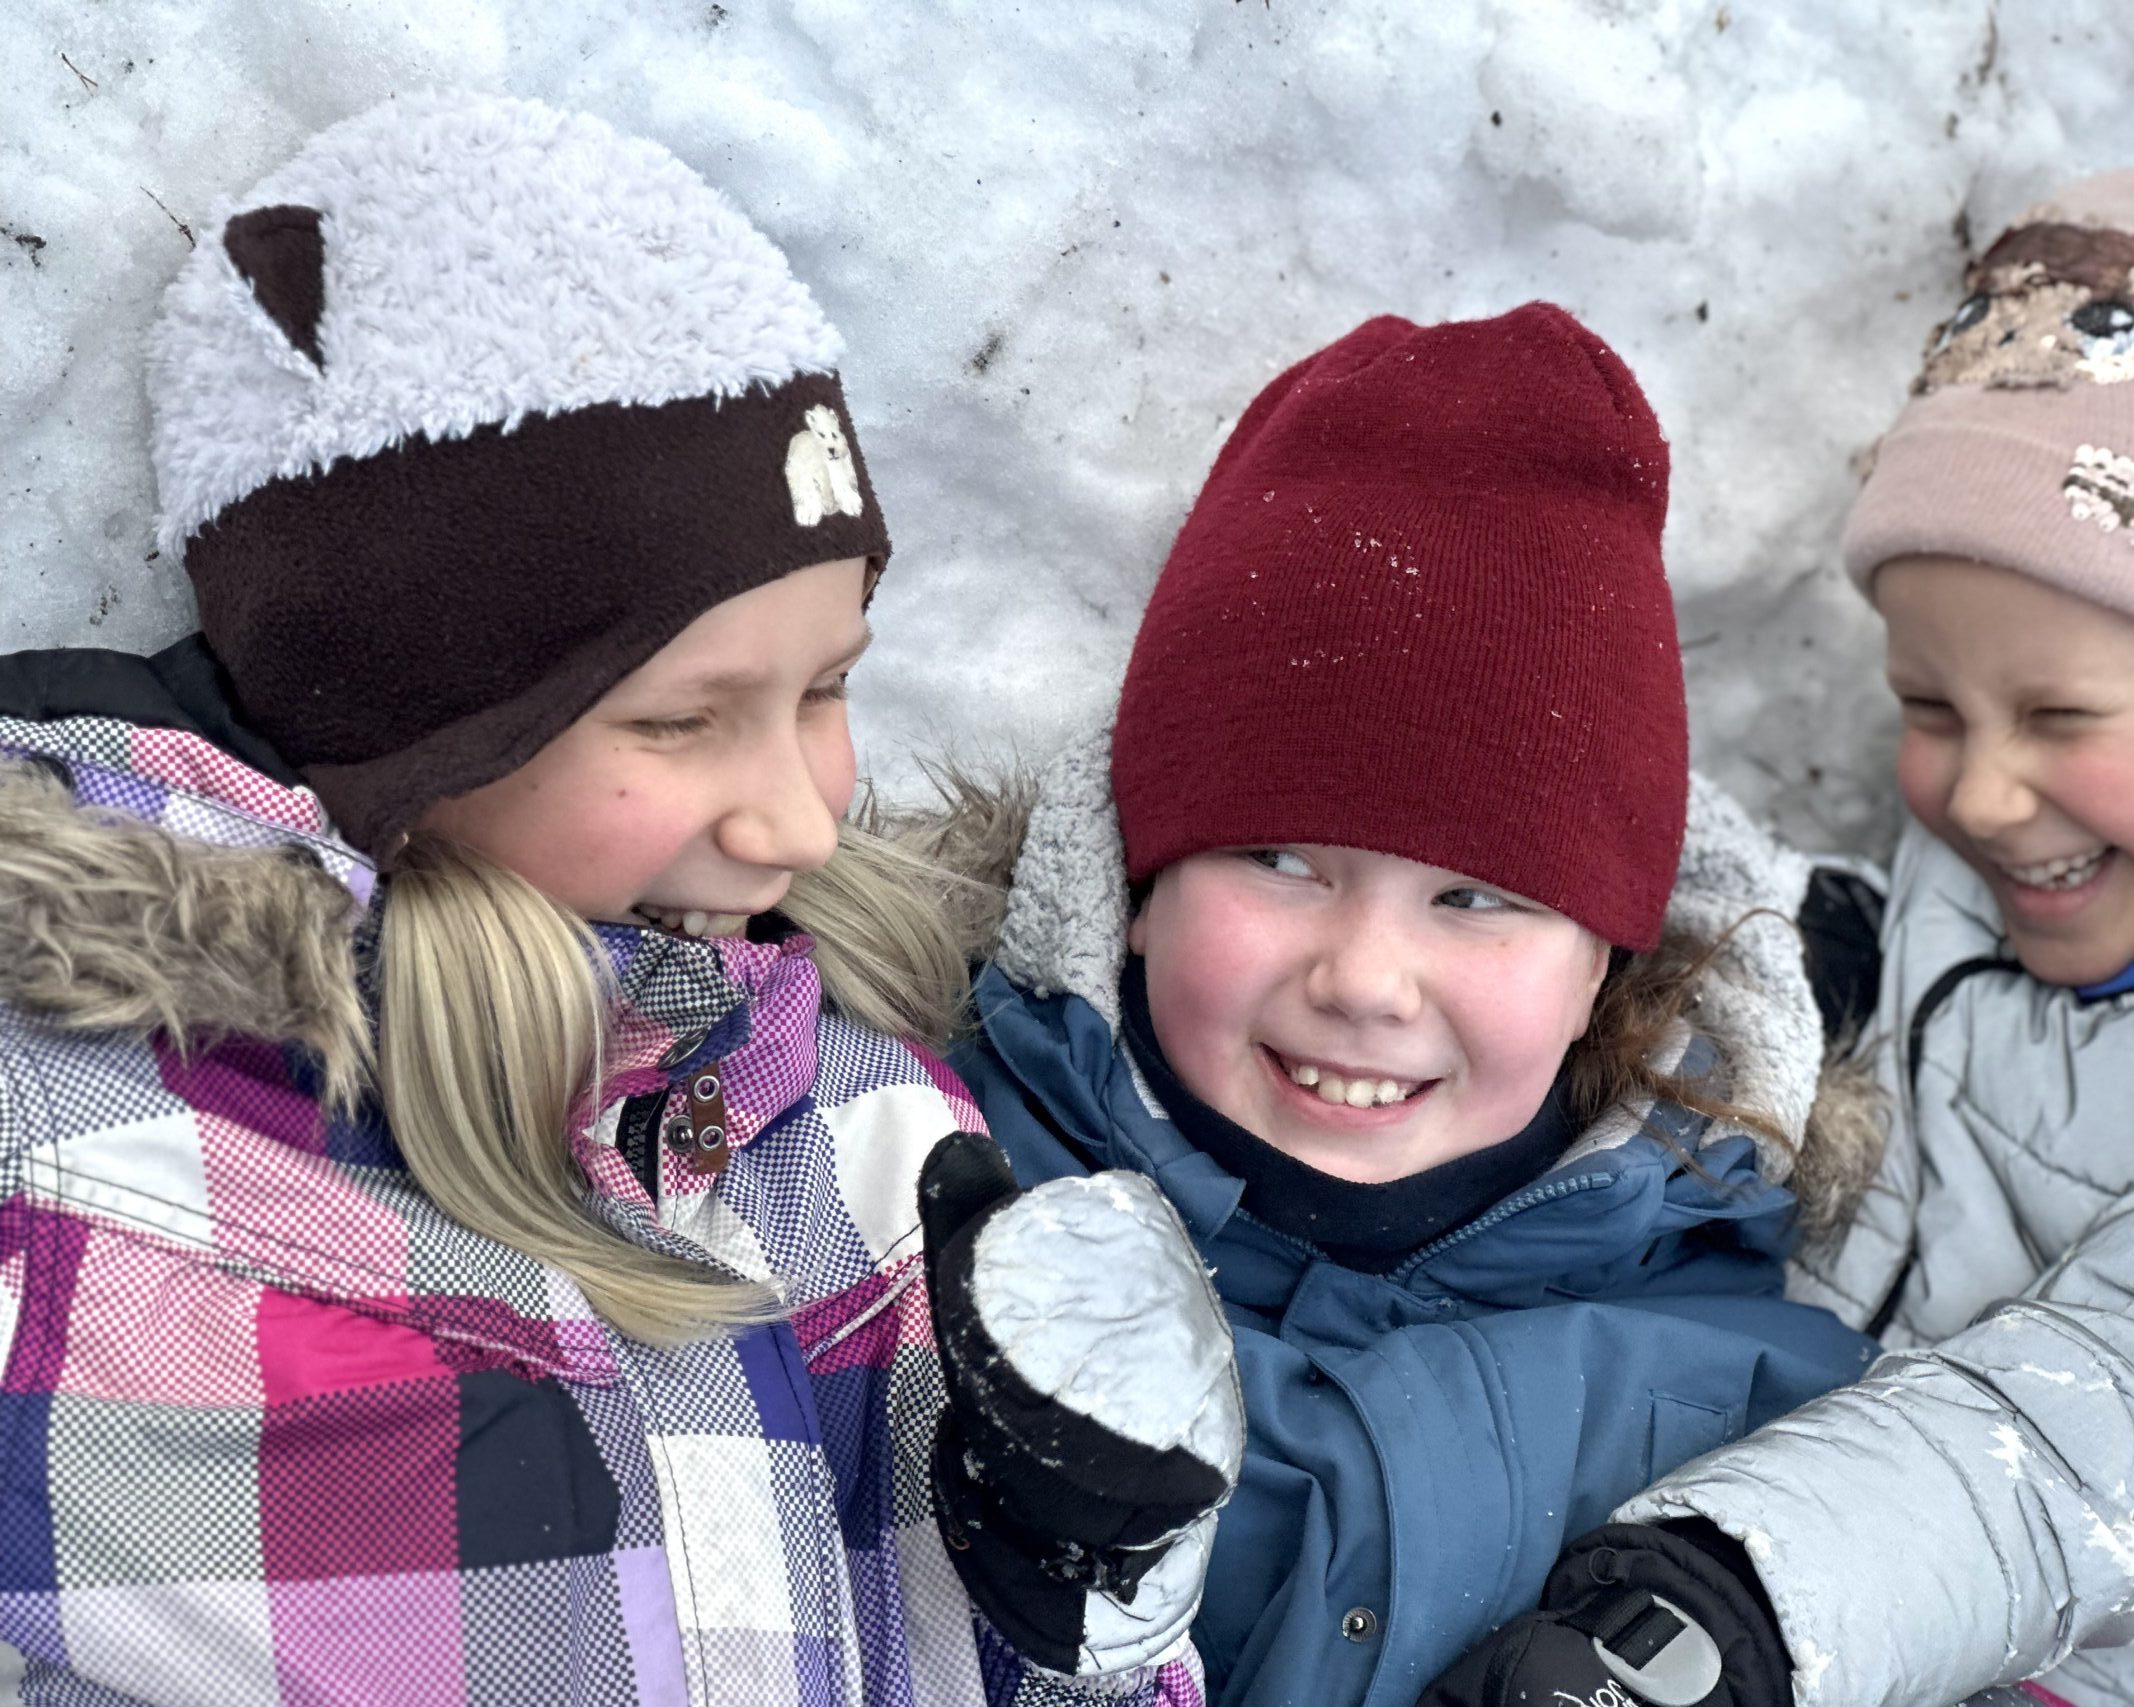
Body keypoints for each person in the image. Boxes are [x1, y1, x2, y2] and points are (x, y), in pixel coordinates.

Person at [0, 93, 1240, 1706]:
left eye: (826, 689)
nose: (801, 819)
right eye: (677, 721)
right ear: (411, 730)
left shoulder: (872, 1136)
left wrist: (1079, 1602)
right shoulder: (65, 1163)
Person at [1425, 155, 2134, 1707]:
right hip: (1906, 1610)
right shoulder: (2064, 860)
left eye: (2059, 715)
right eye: (1929, 706)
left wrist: (1744, 1600)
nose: (1982, 791)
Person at [941, 303, 1879, 1707]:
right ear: (1136, 880)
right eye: (1278, 860)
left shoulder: (1764, 1421)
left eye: (1478, 897)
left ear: (1604, 969)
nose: (1365, 981)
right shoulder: (920, 1210)